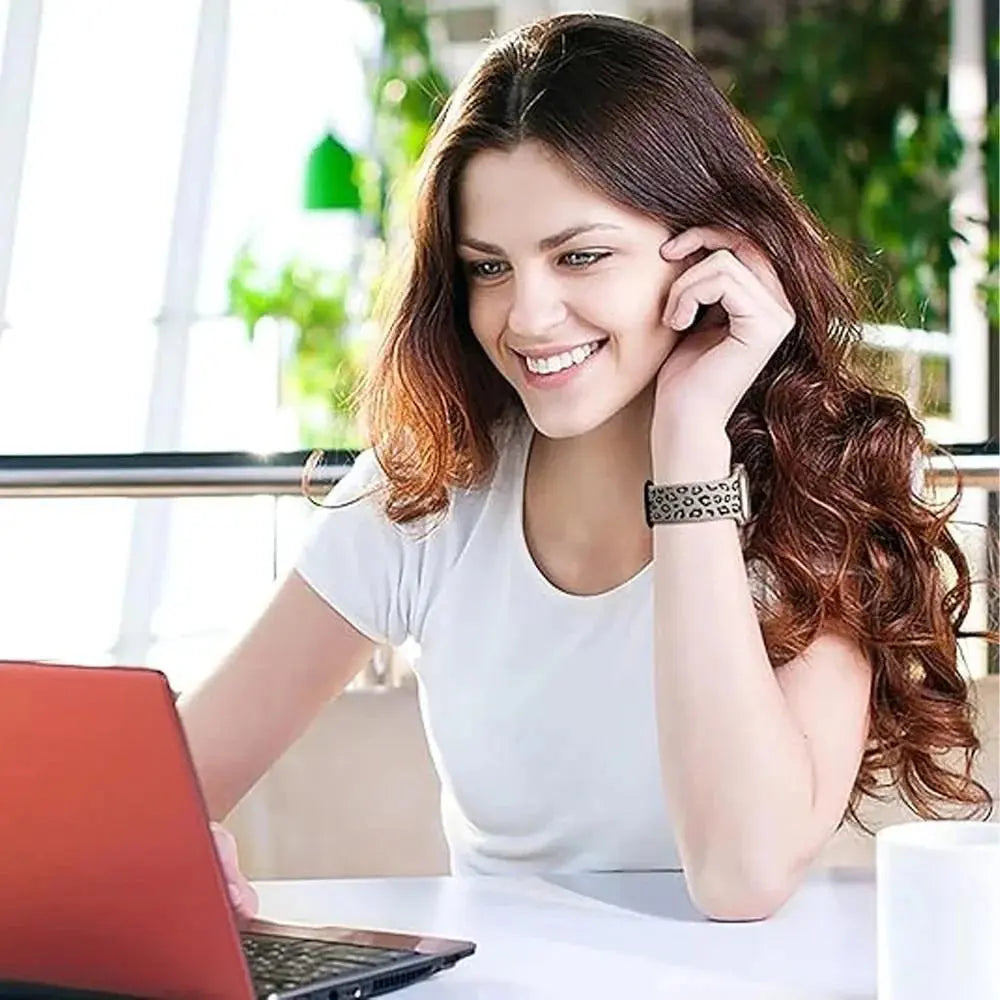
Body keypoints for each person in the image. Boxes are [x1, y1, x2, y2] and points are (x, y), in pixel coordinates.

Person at [179, 12, 993, 923]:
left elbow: (740, 875)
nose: (527, 317)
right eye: (488, 267)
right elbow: (167, 787)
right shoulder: (427, 491)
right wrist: (169, 849)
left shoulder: (822, 493)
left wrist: (689, 439)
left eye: (581, 256)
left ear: (711, 252)